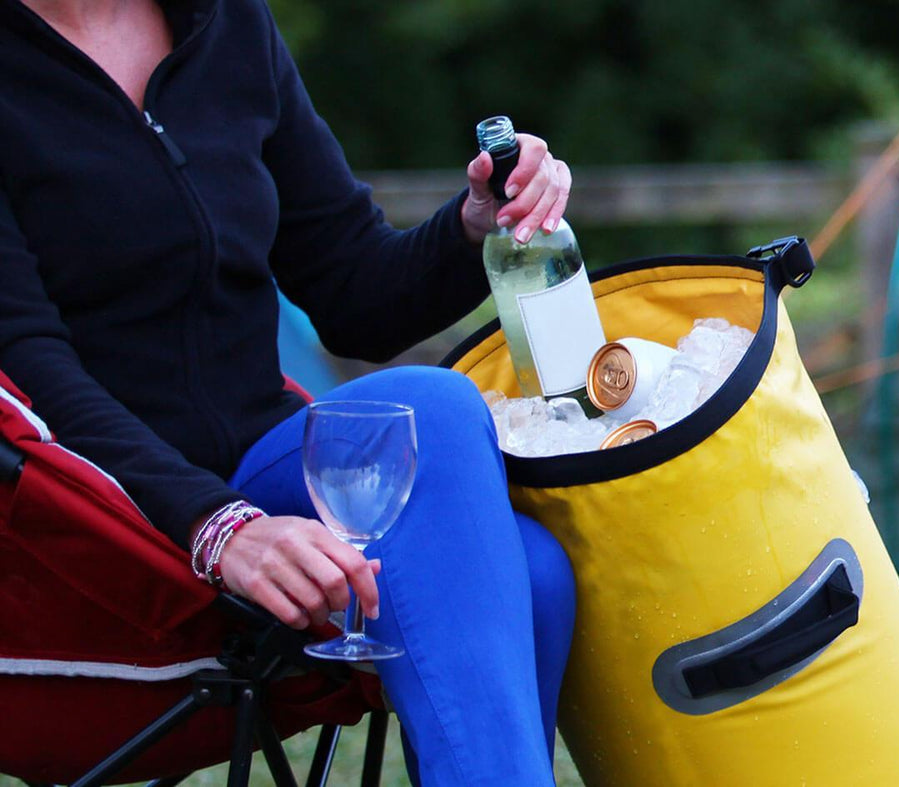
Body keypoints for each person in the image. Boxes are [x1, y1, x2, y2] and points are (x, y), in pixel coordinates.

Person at [0, 0, 577, 784]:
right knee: (437, 412)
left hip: (259, 469)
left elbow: (352, 288)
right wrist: (219, 526)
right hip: (85, 530)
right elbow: (26, 368)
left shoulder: (226, 21)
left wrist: (476, 223)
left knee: (536, 569)